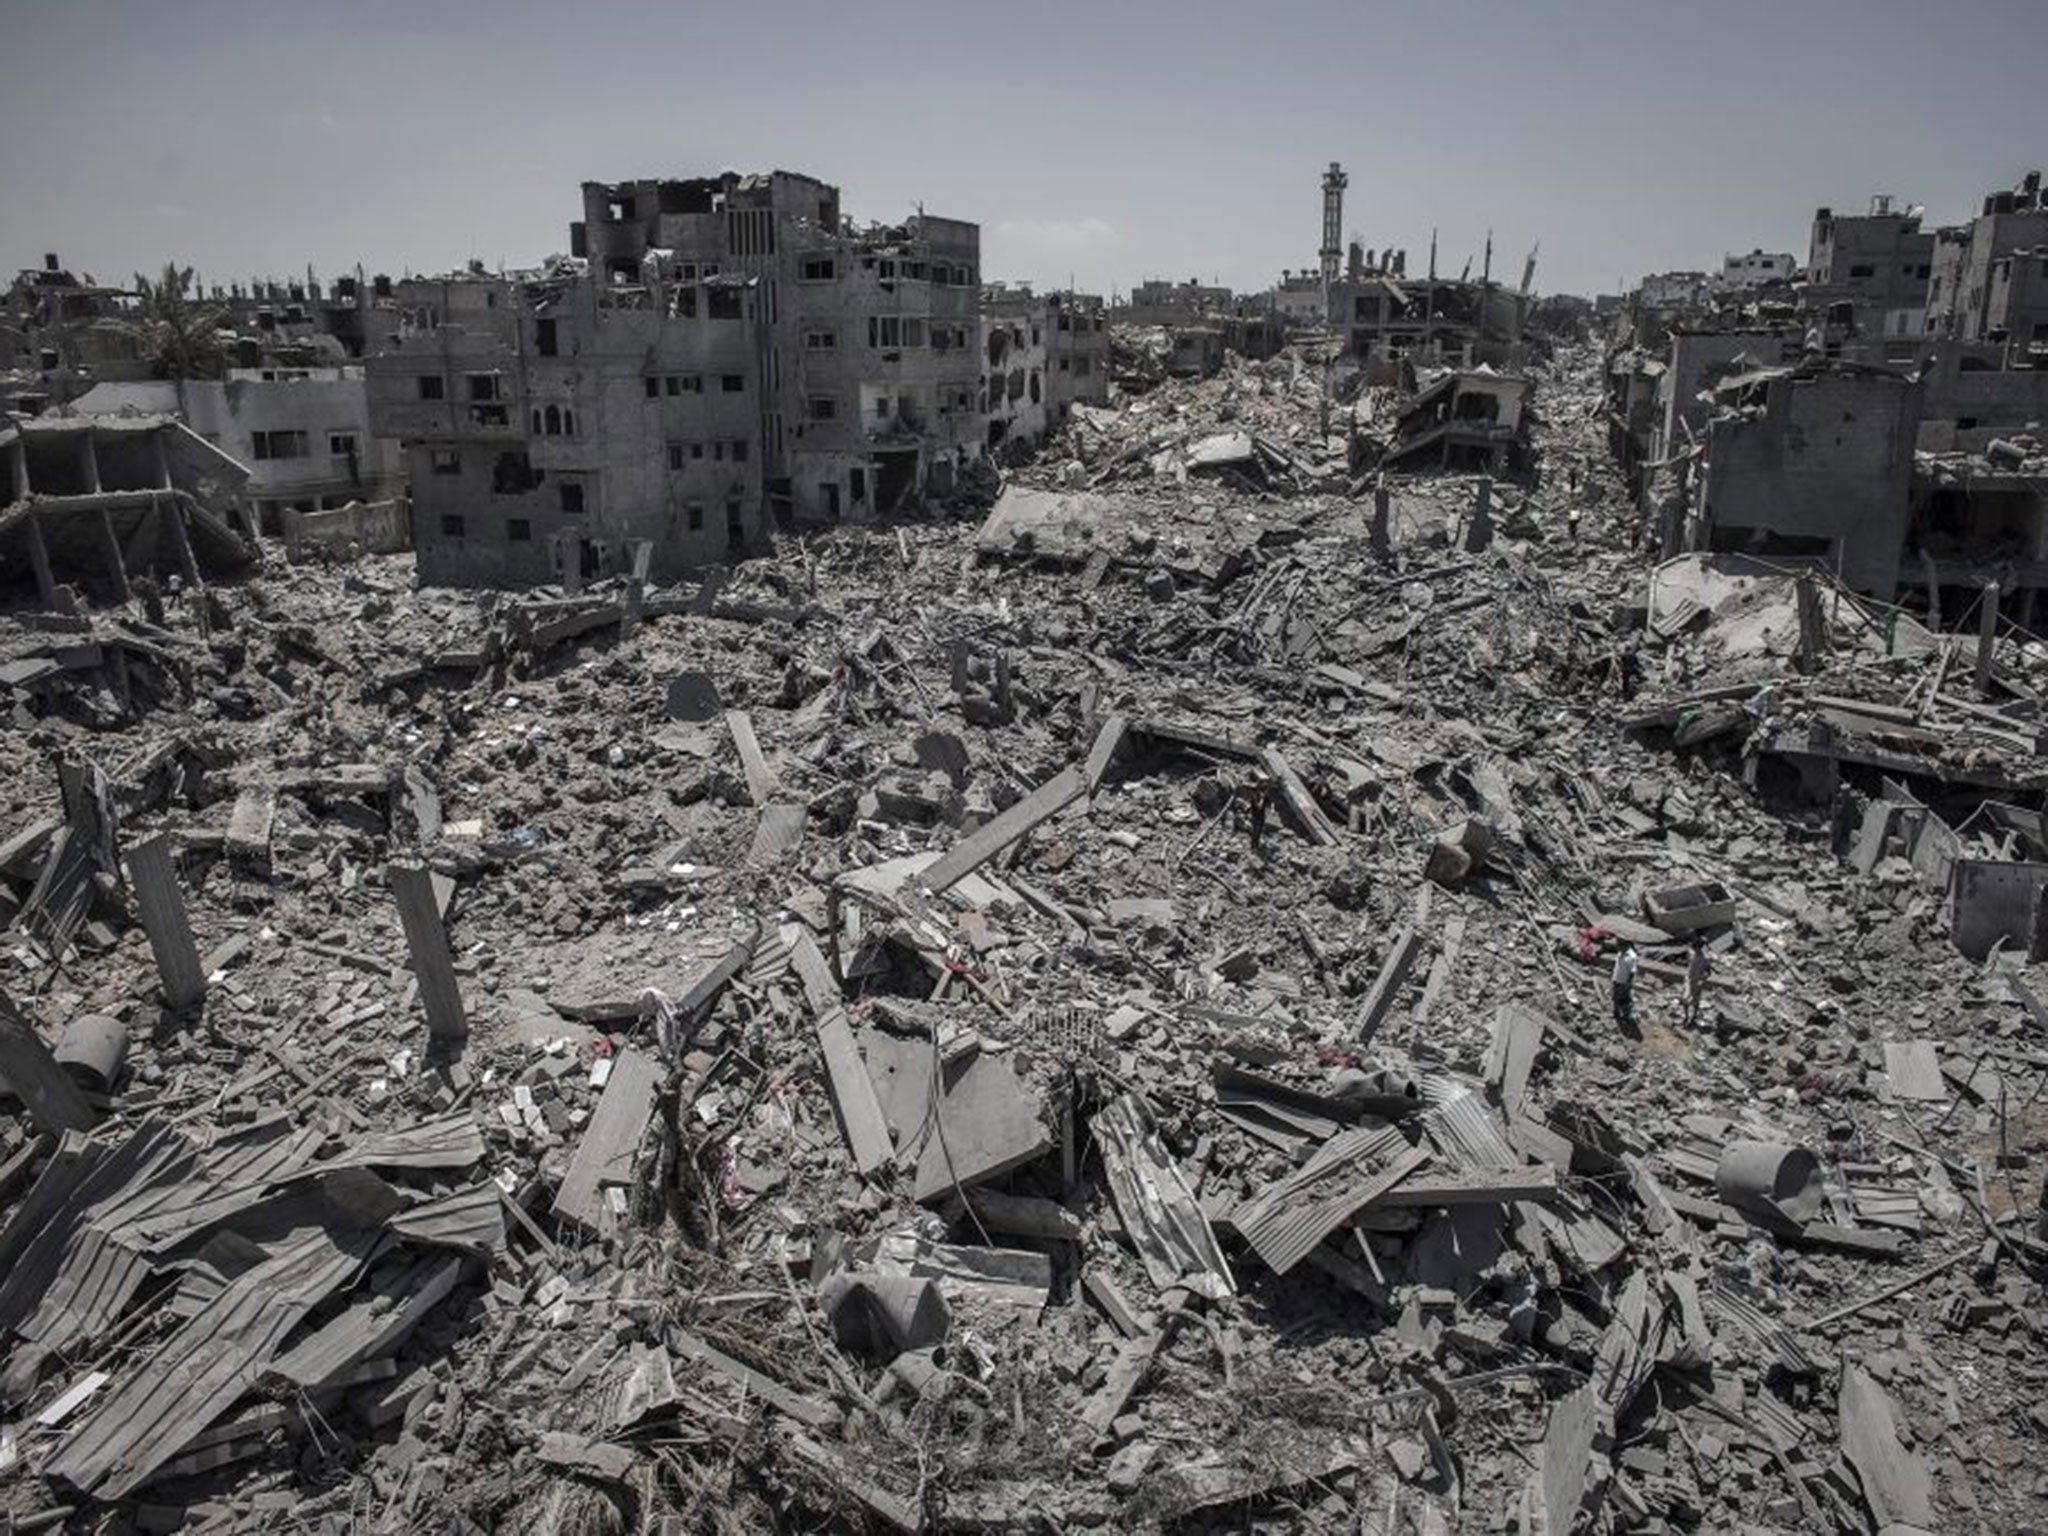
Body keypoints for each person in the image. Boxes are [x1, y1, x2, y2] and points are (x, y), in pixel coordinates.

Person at [1611, 944, 1639, 1031]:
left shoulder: (1632, 957)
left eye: (1620, 944)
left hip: (1623, 982)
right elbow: (1618, 966)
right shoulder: (1620, 952)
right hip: (1616, 979)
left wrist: (1628, 984)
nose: (1618, 946)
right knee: (1615, 997)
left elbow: (1632, 972)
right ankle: (1616, 1014)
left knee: (1623, 1000)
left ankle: (1625, 1017)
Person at [1684, 937, 1710, 1028]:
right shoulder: (1691, 954)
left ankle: (1693, 1017)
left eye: (1697, 948)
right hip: (1689, 979)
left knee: (1695, 1001)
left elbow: (1708, 972)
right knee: (1685, 999)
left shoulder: (1705, 959)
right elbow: (1689, 948)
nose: (1696, 950)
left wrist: (1703, 980)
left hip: (1697, 981)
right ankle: (1686, 1016)